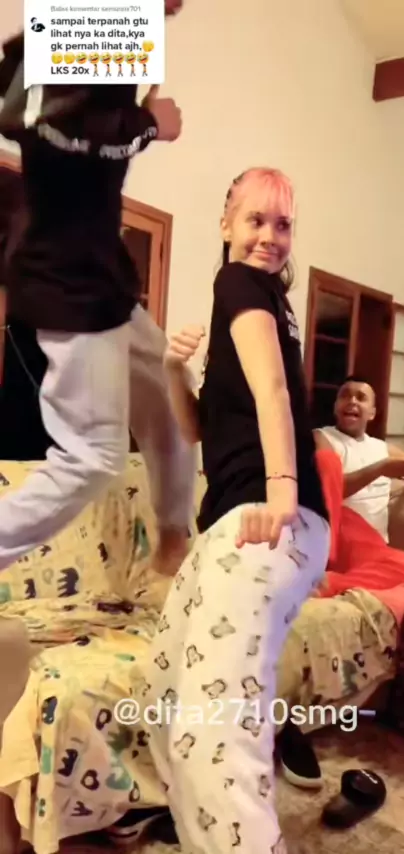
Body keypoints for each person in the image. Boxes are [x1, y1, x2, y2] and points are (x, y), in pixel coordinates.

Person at [136, 167, 330, 854]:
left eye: (283, 224)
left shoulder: (241, 284)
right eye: (256, 220)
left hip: (265, 515)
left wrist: (281, 494)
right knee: (165, 697)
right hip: (230, 521)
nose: (269, 237)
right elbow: (197, 429)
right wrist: (173, 370)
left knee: (215, 725)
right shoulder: (249, 306)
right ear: (226, 224)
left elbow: (275, 393)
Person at [0, 1, 195, 574]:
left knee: (169, 393)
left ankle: (173, 535)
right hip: (65, 278)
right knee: (92, 457)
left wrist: (140, 122)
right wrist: (148, 125)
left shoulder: (122, 24)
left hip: (102, 273)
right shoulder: (97, 15)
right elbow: (29, 119)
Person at [315, 376, 404, 541]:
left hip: (378, 542)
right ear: (335, 407)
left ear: (372, 413)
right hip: (341, 540)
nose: (352, 401)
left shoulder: (381, 448)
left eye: (360, 397)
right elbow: (330, 489)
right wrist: (381, 469)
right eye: (345, 396)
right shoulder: (322, 438)